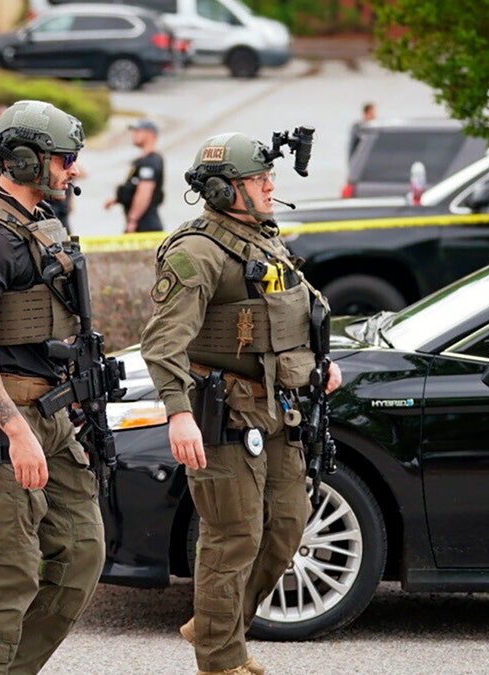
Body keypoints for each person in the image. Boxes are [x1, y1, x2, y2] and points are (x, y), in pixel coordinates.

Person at [139, 132, 342, 675]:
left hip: (280, 409)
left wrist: (322, 363)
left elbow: (298, 311)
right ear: (224, 190)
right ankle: (220, 658)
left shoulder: (263, 239)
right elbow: (162, 343)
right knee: (234, 538)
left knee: (287, 529)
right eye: (258, 179)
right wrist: (178, 412)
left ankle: (213, 626)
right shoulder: (198, 251)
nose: (270, 186)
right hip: (223, 415)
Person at [0, 99, 104, 674]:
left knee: (83, 554)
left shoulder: (39, 226)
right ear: (25, 159)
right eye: (65, 158)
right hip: (9, 419)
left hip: (55, 414)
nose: (73, 170)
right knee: (8, 573)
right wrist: (16, 429)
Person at [105, 118, 164, 232]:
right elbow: (133, 187)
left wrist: (133, 220)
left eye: (138, 131)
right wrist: (117, 199)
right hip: (141, 223)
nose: (133, 135)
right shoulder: (142, 161)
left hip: (145, 225)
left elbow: (144, 192)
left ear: (150, 134)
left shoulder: (151, 161)